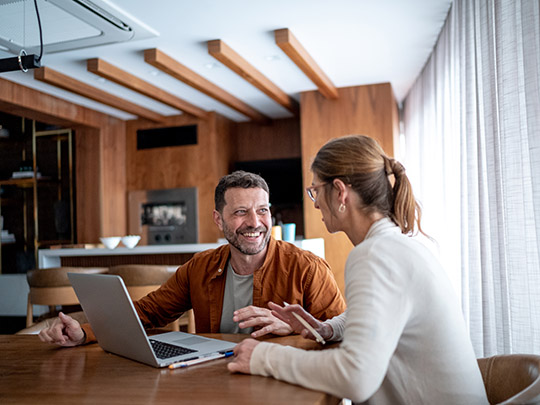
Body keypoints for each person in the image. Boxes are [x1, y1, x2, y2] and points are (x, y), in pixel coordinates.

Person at [227, 136, 488, 404]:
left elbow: (356, 377)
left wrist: (261, 356)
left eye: (315, 190)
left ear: (340, 192)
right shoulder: (395, 246)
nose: (315, 203)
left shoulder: (374, 254)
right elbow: (378, 315)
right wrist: (326, 328)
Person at [39, 171, 346, 347]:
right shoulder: (199, 268)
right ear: (218, 218)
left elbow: (344, 335)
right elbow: (147, 313)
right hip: (215, 379)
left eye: (262, 210)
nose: (255, 222)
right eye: (241, 212)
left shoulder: (308, 269)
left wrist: (293, 328)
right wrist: (84, 332)